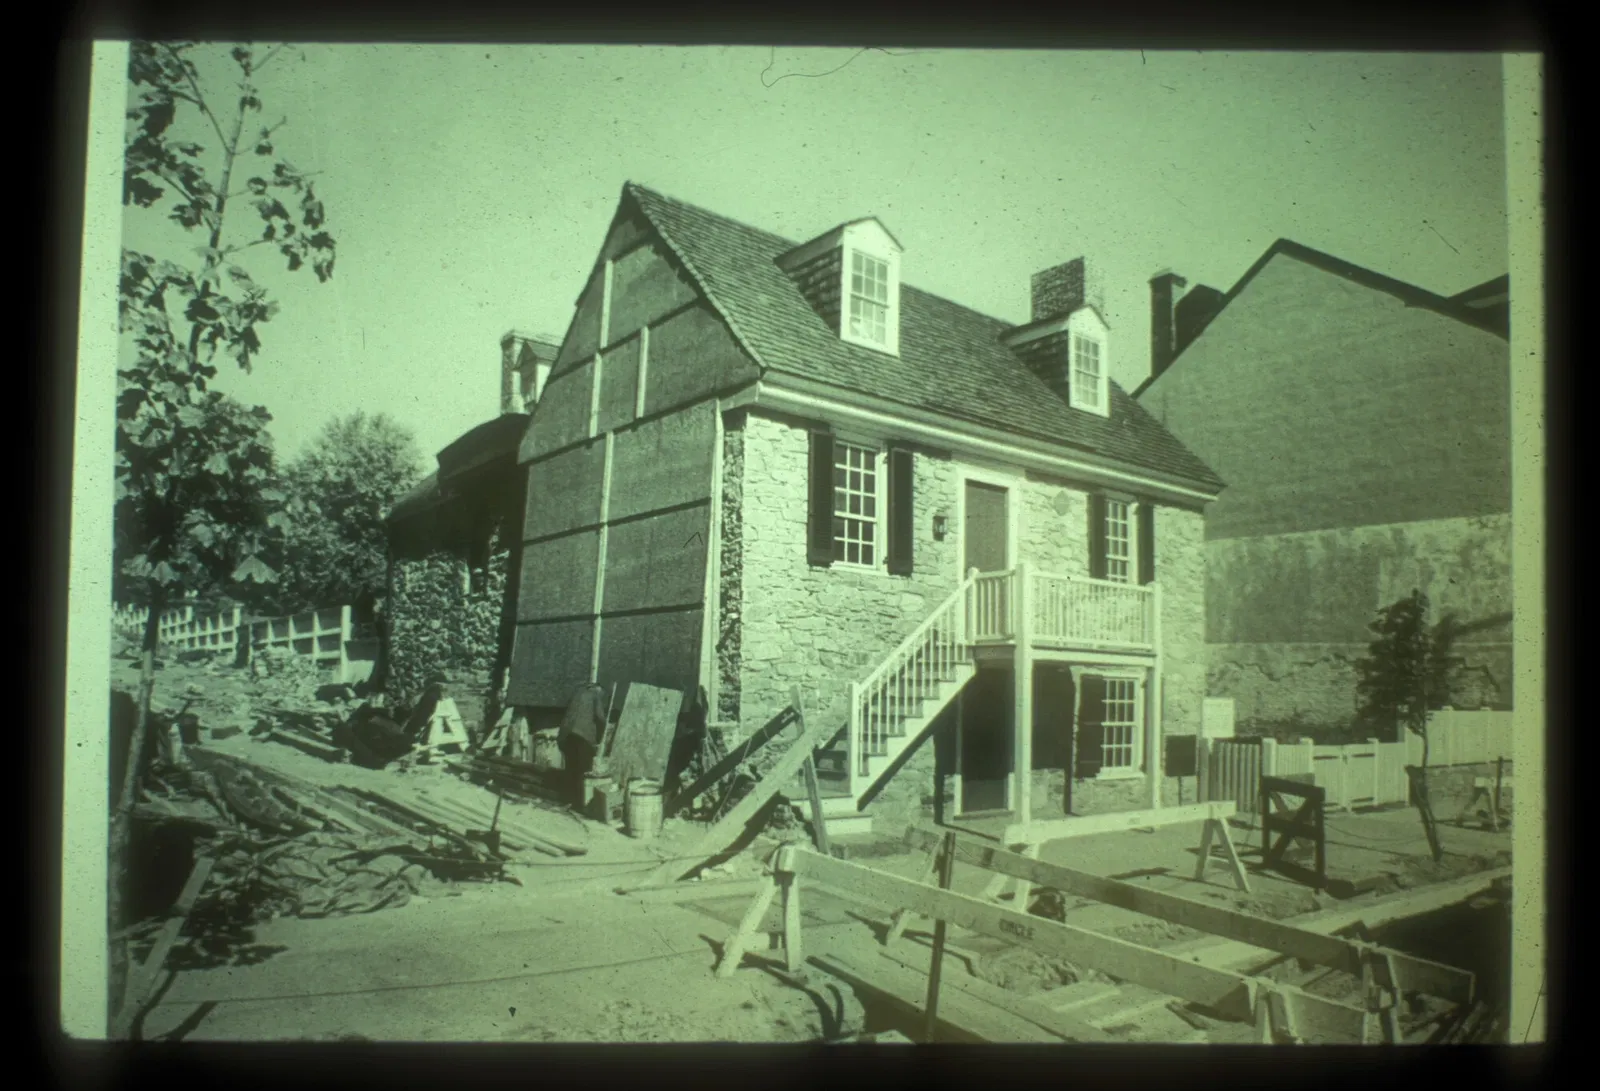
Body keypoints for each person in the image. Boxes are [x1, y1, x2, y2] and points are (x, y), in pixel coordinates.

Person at [558, 683, 606, 808]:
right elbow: (600, 717)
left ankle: (568, 800)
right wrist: (601, 736)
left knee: (571, 769)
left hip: (568, 735)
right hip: (583, 736)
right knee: (583, 770)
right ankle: (581, 804)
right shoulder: (596, 694)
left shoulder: (578, 692)